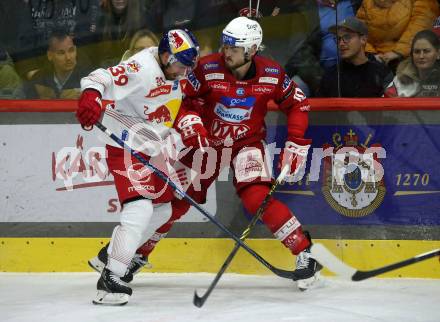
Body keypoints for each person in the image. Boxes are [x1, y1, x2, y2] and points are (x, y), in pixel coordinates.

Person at [95, 16, 322, 291]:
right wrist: (190, 120)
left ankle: (304, 253)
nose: (226, 51)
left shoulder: (271, 74)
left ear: (251, 50)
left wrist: (296, 142)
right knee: (175, 203)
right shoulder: (206, 67)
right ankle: (134, 254)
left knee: (257, 197)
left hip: (246, 144)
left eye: (234, 48)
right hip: (205, 146)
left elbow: (298, 104)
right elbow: (180, 97)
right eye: (225, 45)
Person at [76, 28, 200, 305]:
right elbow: (99, 77)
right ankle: (110, 279)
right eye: (181, 65)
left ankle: (109, 255)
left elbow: (180, 100)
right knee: (140, 207)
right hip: (124, 144)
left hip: (151, 148)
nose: (184, 72)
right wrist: (90, 96)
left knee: (163, 209)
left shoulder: (179, 67)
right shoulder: (141, 67)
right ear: (166, 56)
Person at [317, 17, 394, 97]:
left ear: (363, 40)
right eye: (338, 39)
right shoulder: (331, 75)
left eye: (347, 37)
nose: (341, 43)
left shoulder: (381, 73)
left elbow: (392, 106)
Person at [356, 0, 439, 70]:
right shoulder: (367, 2)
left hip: (409, 56)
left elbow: (420, 24)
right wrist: (372, 54)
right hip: (376, 58)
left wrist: (398, 52)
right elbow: (360, 31)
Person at [24, 29, 90, 99]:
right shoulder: (38, 79)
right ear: (50, 55)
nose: (68, 57)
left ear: (76, 50)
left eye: (71, 50)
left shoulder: (89, 78)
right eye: (61, 53)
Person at [384, 29, 440, 97]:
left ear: (438, 54)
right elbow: (385, 104)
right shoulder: (399, 81)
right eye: (417, 52)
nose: (421, 56)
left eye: (426, 51)